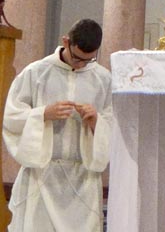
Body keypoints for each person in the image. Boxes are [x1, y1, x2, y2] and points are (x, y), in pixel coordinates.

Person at [3, 19, 112, 232]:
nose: (80, 65)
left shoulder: (103, 79)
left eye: (88, 60)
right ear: (66, 41)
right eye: (77, 58)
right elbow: (12, 117)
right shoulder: (36, 73)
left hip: (83, 180)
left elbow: (116, 125)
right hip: (42, 177)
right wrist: (43, 114)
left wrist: (96, 121)